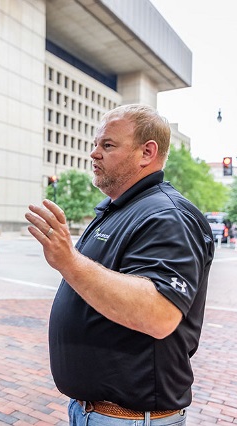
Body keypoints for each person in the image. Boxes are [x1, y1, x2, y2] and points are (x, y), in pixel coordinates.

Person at [25, 104, 214, 425]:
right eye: (95, 144)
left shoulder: (167, 215)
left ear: (147, 153)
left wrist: (68, 261)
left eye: (107, 145)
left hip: (130, 418)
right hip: (96, 412)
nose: (93, 154)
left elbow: (159, 315)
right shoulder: (120, 209)